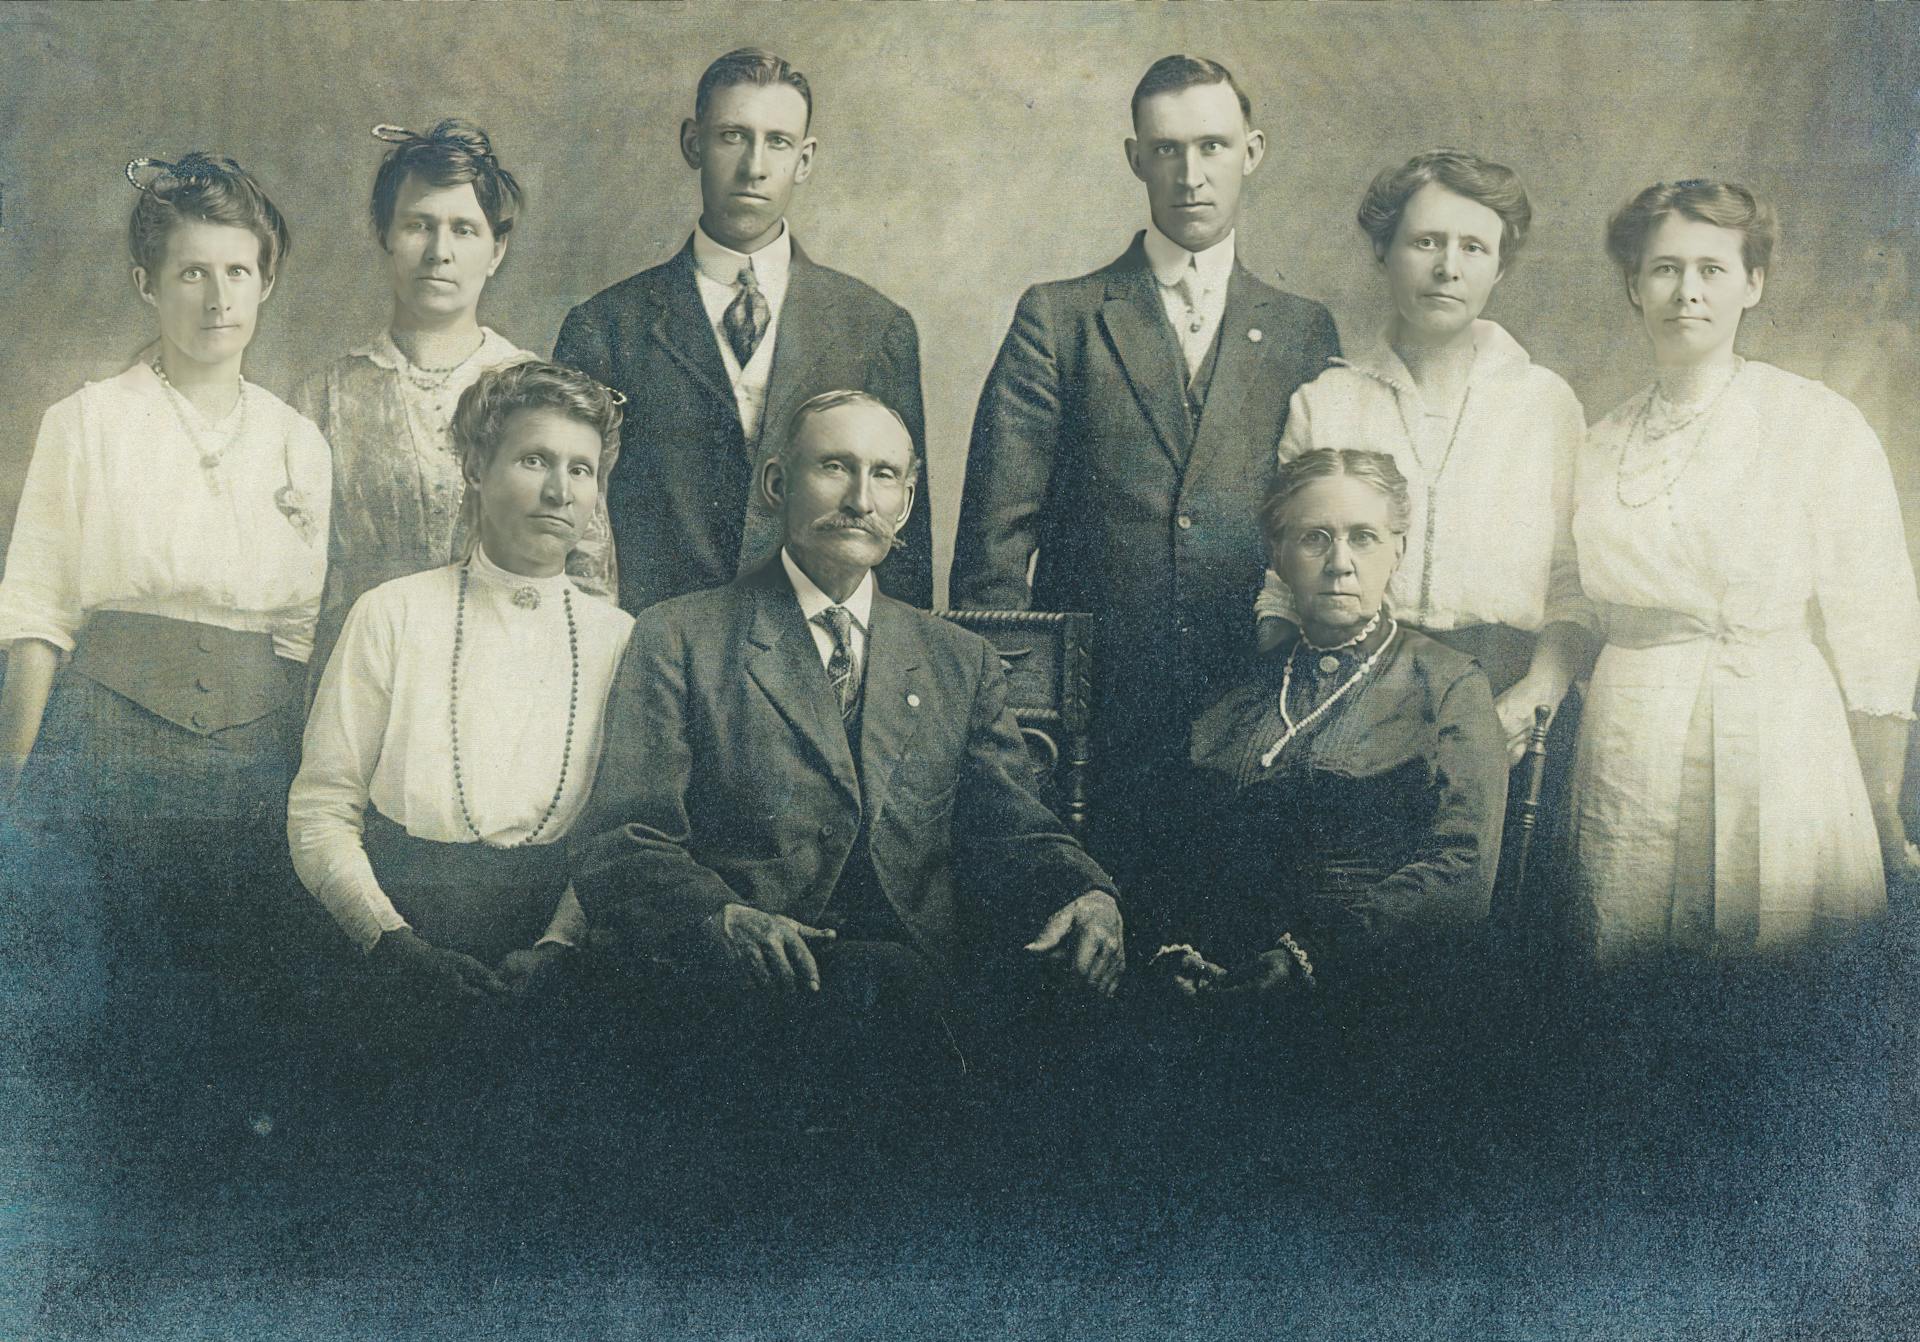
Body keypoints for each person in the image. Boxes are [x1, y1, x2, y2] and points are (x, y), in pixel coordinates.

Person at [573, 390, 1122, 1125]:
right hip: (750, 984)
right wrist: (721, 917)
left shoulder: (957, 659)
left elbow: (1016, 831)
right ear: (776, 484)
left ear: (906, 499)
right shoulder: (682, 636)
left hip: (923, 987)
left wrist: (1087, 893)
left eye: (885, 476)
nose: (861, 498)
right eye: (835, 467)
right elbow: (625, 840)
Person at [950, 54, 1339, 885]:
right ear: (1136, 159)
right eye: (1166, 150)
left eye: (1212, 146)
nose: (1190, 175)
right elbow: (993, 543)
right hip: (1094, 721)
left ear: (1253, 151)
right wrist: (1009, 728)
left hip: (1253, 705)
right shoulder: (1060, 318)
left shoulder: (1305, 331)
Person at [0, 154, 329, 1125]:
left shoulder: (296, 442)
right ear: (147, 284)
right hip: (107, 747)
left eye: (237, 272)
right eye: (191, 273)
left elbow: (300, 632)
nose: (217, 298)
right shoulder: (88, 421)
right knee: (108, 1016)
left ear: (265, 282)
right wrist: (23, 787)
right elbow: (36, 606)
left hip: (253, 754)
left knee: (236, 1021)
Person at [1567, 180, 1920, 959]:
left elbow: (1877, 614)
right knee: (1631, 968)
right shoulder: (1596, 444)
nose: (1686, 291)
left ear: (1752, 284)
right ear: (1634, 284)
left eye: (1712, 269)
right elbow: (1574, 599)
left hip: (1784, 729)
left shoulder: (1815, 422)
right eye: (1663, 269)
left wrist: (1883, 794)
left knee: (1780, 973)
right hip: (1632, 734)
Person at [289, 361, 633, 1056]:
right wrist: (390, 941)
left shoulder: (621, 639)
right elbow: (321, 808)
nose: (559, 491)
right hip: (396, 955)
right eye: (534, 459)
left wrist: (558, 946)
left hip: (555, 968)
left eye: (582, 469)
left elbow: (619, 834)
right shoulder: (393, 613)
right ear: (476, 466)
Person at [554, 48, 933, 615]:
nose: (754, 165)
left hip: (815, 657)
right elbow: (572, 524)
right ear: (693, 143)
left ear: (804, 160)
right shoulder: (607, 327)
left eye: (777, 142)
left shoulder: (874, 328)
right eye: (733, 136)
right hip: (655, 649)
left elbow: (903, 547)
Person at [1251, 151, 1591, 764]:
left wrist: (1536, 697)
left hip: (1510, 697)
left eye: (1473, 248)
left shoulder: (1546, 404)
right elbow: (1281, 583)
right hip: (1347, 697)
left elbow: (1572, 585)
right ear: (1383, 250)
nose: (1447, 269)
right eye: (1425, 242)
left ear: (1500, 267)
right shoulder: (1325, 402)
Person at [1145, 449, 1506, 1016]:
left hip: (1369, 991)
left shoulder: (1446, 683)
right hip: (1220, 985)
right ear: (1279, 556)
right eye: (1315, 538)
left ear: (1398, 552)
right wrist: (1177, 946)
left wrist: (1311, 957)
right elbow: (1174, 846)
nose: (1340, 562)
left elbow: (1461, 869)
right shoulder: (1240, 687)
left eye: (1363, 537)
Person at [295, 119, 616, 688]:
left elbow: (588, 573)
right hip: (363, 679)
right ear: (386, 235)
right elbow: (298, 582)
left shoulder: (541, 395)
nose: (439, 253)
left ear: (496, 251)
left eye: (464, 230)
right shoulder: (326, 397)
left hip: (510, 678)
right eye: (419, 225)